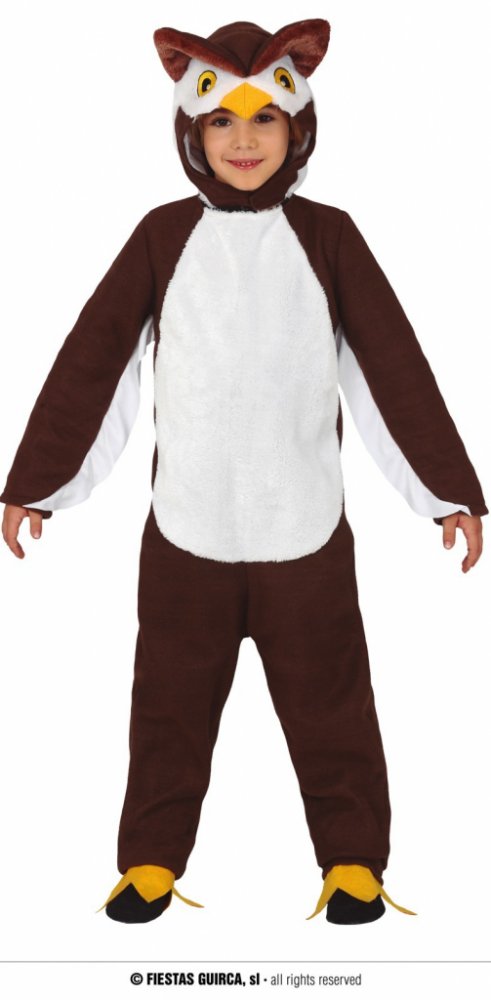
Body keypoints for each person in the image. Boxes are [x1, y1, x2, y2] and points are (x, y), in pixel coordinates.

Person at [1, 18, 487, 926]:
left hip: (305, 533)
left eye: (266, 117)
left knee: (334, 706)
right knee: (167, 707)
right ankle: (149, 861)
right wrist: (38, 482)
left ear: (298, 127)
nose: (245, 139)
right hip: (186, 534)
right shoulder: (161, 236)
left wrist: (448, 493)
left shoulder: (329, 237)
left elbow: (391, 368)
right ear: (191, 131)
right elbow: (94, 362)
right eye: (222, 120)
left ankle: (353, 863)